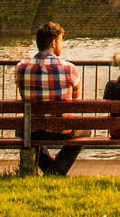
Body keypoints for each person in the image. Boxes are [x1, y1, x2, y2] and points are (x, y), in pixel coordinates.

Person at [13, 21, 83, 176]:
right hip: (61, 129)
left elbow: (22, 92)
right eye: (61, 41)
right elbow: (75, 100)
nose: (62, 45)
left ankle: (51, 169)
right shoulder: (69, 69)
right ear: (54, 42)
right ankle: (56, 171)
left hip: (32, 130)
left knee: (23, 131)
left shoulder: (21, 68)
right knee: (84, 131)